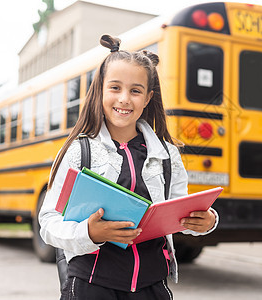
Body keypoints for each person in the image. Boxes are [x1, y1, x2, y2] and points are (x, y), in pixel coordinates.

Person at [39, 34, 219, 300]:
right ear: (100, 90)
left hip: (152, 287)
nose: (124, 99)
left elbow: (182, 213)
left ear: (147, 98)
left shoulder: (168, 154)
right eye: (115, 88)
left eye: (135, 91)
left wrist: (206, 221)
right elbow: (48, 223)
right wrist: (89, 232)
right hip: (91, 285)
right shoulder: (79, 151)